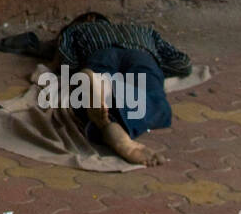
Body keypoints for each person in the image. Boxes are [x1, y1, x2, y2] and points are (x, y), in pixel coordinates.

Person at [52, 12, 190, 166]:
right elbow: (183, 63)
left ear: (89, 18)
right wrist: (157, 67)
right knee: (157, 103)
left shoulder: (78, 29)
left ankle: (104, 100)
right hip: (142, 56)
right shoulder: (144, 30)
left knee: (92, 93)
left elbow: (67, 60)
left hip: (101, 55)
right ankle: (112, 112)